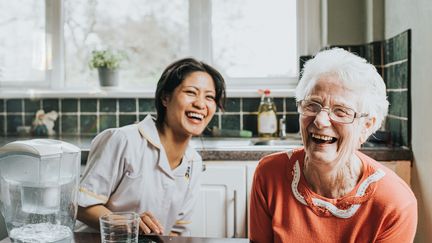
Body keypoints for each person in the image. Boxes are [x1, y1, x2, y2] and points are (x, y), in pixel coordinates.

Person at [249, 48, 417, 242]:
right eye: (312, 105)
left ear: (366, 125)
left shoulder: (394, 202)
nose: (320, 120)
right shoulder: (269, 174)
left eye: (341, 111)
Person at [76, 58, 226, 236]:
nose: (201, 104)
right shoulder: (123, 140)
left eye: (209, 97)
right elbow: (82, 206)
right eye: (191, 92)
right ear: (165, 97)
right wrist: (129, 224)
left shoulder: (193, 162)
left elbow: (176, 231)